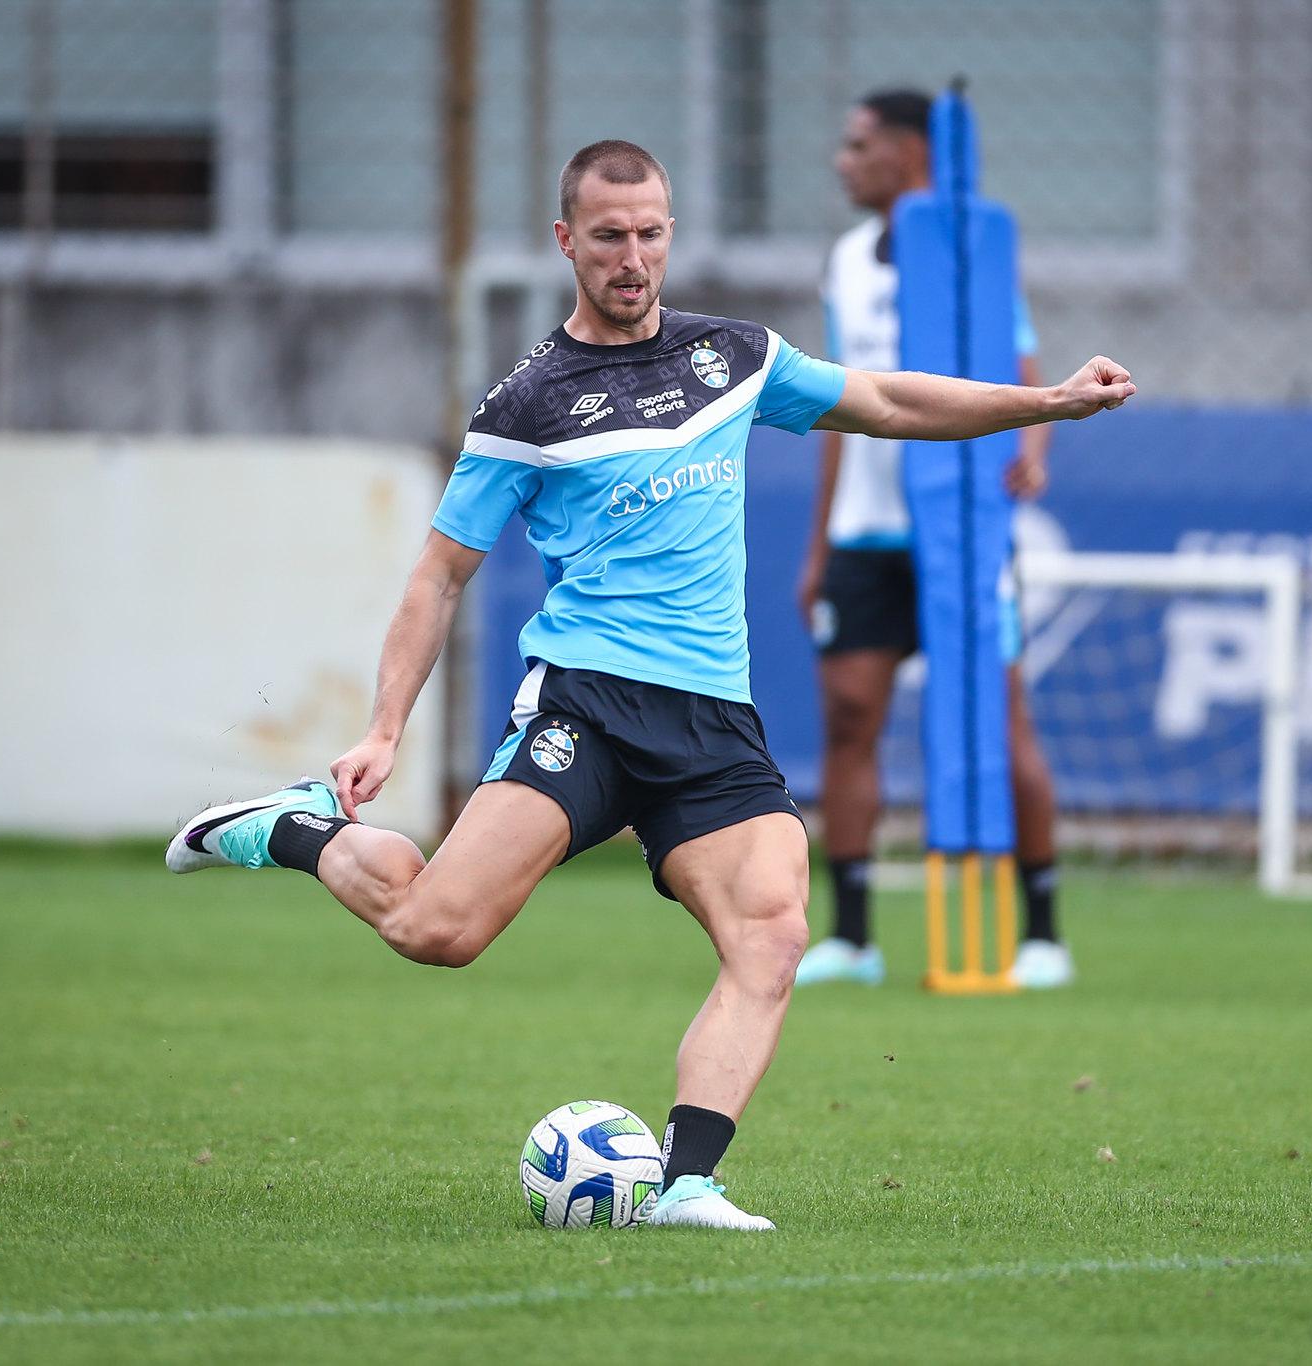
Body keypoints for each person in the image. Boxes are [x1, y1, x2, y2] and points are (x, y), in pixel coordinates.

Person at [166, 139, 1134, 1231]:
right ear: (565, 239)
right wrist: (385, 727)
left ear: (669, 231)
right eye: (610, 235)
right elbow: (438, 575)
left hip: (713, 718)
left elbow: (887, 402)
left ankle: (685, 1182)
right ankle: (288, 828)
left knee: (769, 934)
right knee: (439, 929)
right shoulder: (525, 405)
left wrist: (1043, 401)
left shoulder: (732, 357)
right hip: (586, 704)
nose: (632, 257)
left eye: (650, 233)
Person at [794, 89, 1071, 991]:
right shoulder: (843, 259)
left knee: (1000, 719)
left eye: (859, 143)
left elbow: (1024, 374)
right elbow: (839, 406)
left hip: (957, 531)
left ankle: (1040, 933)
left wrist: (1031, 452)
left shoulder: (969, 248)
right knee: (848, 719)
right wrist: (817, 546)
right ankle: (853, 936)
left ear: (913, 151)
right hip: (864, 536)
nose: (844, 160)